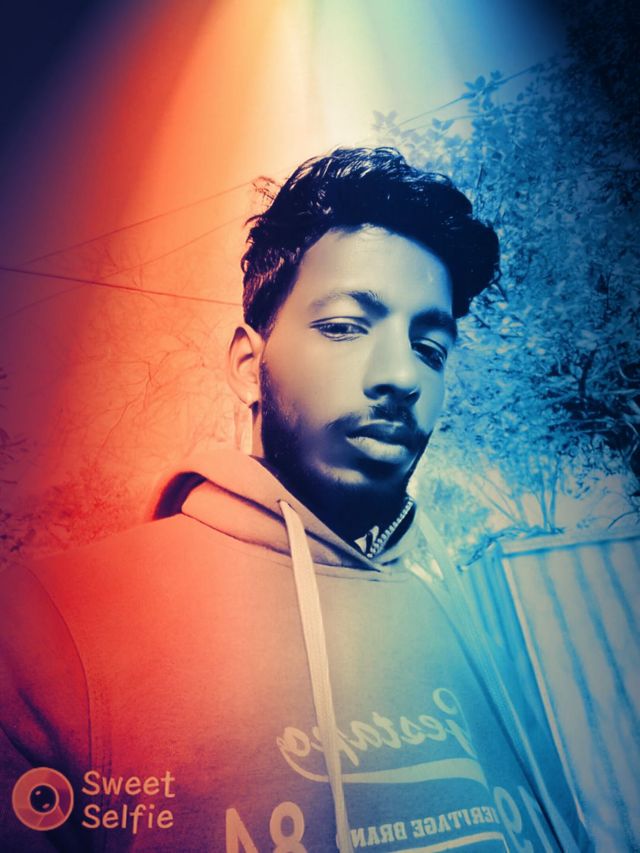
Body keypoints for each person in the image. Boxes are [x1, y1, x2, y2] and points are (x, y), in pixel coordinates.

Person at [0, 148, 590, 852]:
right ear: (248, 365)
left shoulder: (461, 605)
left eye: (430, 348)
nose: (402, 375)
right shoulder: (42, 625)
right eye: (344, 326)